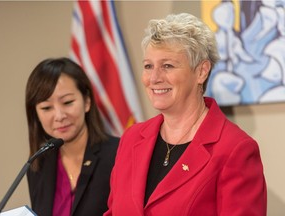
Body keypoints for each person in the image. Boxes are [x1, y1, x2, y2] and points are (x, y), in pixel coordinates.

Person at [104, 13, 267, 215]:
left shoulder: (235, 149)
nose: (153, 78)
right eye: (148, 66)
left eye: (167, 66)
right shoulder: (131, 138)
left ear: (201, 71)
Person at [25, 57, 119, 216]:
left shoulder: (118, 154)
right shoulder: (37, 165)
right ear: (36, 115)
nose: (59, 116)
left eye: (67, 102)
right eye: (47, 108)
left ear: (87, 101)